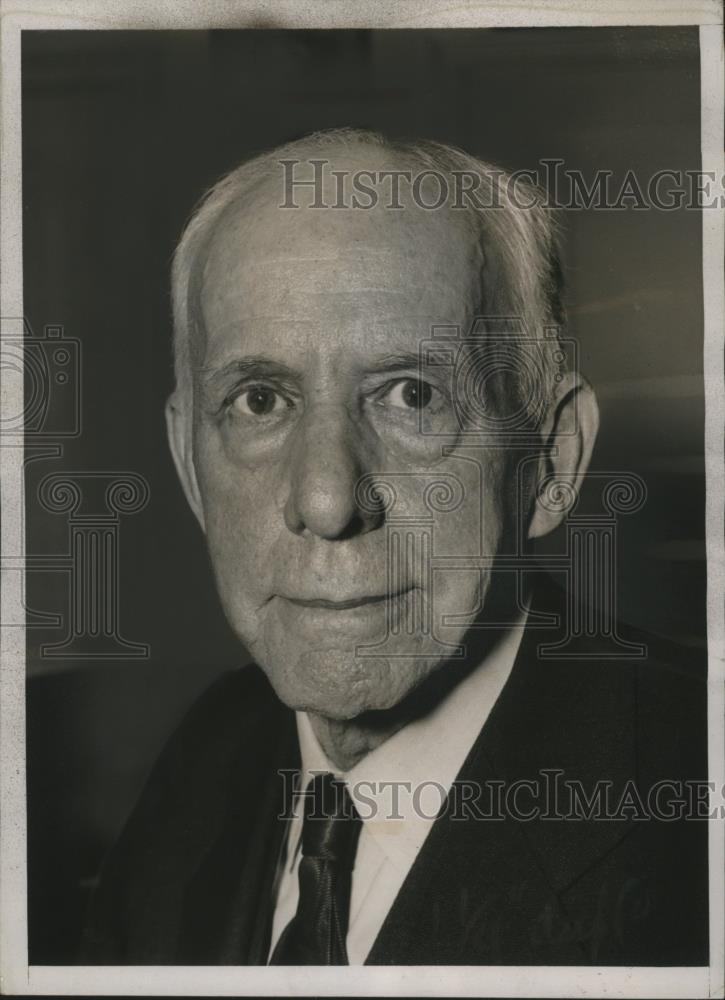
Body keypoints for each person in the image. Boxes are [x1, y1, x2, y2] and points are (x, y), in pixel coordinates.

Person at [81, 129, 708, 966]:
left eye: (411, 395)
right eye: (260, 400)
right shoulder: (211, 752)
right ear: (190, 469)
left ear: (550, 464)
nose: (328, 501)